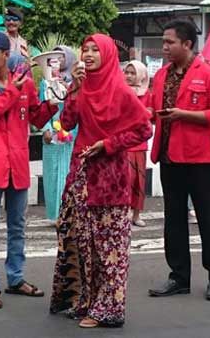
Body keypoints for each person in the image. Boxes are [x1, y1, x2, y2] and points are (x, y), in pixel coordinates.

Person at [50, 34, 152, 329]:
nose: (90, 54)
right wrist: (74, 89)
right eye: (86, 49)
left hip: (110, 178)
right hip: (82, 174)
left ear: (108, 55)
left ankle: (108, 308)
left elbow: (143, 129)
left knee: (109, 247)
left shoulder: (120, 90)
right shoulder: (82, 87)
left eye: (96, 50)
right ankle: (84, 300)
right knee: (82, 242)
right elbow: (67, 123)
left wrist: (108, 144)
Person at [0, 31, 57, 310]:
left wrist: (54, 99)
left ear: (6, 54)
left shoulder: (26, 85)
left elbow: (37, 118)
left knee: (18, 226)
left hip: (18, 162)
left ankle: (16, 278)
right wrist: (13, 92)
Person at [147, 19, 210, 302]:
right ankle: (179, 277)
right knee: (174, 220)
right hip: (169, 158)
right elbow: (149, 107)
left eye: (170, 42)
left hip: (200, 160)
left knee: (209, 219)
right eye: (164, 42)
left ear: (188, 44)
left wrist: (184, 115)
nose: (164, 47)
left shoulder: (208, 74)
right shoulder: (161, 76)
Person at [40, 46, 77, 222]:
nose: (58, 61)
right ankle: (54, 215)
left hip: (72, 133)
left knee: (69, 173)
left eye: (61, 58)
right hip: (51, 134)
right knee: (52, 175)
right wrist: (46, 128)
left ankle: (69, 213)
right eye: (54, 58)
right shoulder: (45, 82)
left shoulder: (76, 82)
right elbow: (41, 107)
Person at [123, 60, 154, 227]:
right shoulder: (120, 91)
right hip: (124, 144)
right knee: (126, 180)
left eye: (132, 73)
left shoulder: (147, 94)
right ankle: (124, 213)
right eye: (126, 72)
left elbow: (150, 114)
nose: (128, 76)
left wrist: (141, 115)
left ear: (141, 75)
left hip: (140, 145)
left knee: (138, 182)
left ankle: (136, 214)